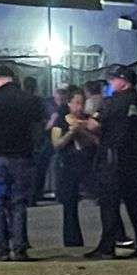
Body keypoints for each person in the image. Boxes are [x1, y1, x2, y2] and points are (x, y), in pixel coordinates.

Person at [0, 64, 48, 261]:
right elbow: (41, 126)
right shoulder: (30, 100)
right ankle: (20, 248)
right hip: (23, 159)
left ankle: (1, 248)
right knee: (18, 203)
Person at [83, 64, 137, 259]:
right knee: (135, 202)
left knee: (109, 204)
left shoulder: (113, 103)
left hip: (113, 159)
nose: (111, 83)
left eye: (114, 79)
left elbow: (93, 125)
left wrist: (83, 122)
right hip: (136, 159)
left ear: (124, 81)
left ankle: (107, 247)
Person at [49, 86, 98, 248]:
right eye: (76, 103)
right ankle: (72, 240)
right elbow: (56, 143)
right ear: (69, 103)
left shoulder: (89, 120)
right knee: (69, 204)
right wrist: (70, 133)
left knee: (103, 199)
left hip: (88, 163)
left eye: (82, 103)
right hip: (68, 165)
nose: (79, 107)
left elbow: (98, 141)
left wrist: (83, 130)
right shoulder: (61, 120)